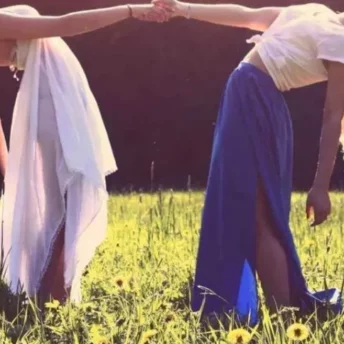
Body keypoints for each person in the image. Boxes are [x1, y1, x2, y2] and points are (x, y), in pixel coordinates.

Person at [143, 2, 344, 322]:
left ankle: (285, 317)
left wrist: (320, 187)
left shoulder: (340, 43)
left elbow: (334, 116)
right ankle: (283, 313)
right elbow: (248, 15)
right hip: (248, 94)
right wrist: (184, 9)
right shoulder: (317, 13)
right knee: (250, 210)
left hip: (256, 97)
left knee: (258, 215)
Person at [0, 3, 168, 305]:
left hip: (56, 103)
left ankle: (51, 291)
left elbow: (68, 22)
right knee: (63, 202)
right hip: (51, 105)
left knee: (62, 202)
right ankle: (51, 292)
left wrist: (129, 10)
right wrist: (10, 174)